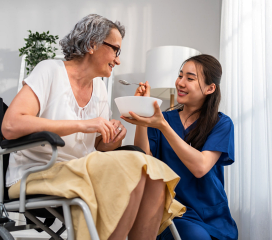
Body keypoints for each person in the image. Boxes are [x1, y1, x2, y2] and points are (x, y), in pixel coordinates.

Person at [2, 14, 186, 240]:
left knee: (154, 175)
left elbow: (100, 149)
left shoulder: (99, 88)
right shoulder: (50, 71)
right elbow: (11, 125)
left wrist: (113, 138)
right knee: (136, 166)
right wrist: (83, 124)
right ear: (92, 44)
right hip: (37, 173)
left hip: (83, 169)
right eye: (115, 50)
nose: (118, 60)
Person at [121, 54, 238, 240]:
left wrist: (162, 127)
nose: (180, 82)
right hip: (171, 210)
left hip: (211, 214)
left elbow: (200, 167)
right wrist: (142, 112)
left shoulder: (221, 123)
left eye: (190, 78)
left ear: (210, 88)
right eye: (180, 75)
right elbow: (144, 158)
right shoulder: (165, 120)